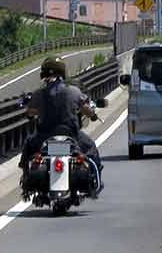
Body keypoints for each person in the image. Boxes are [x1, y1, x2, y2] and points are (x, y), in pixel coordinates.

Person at [19, 56, 103, 195]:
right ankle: (96, 183)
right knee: (91, 149)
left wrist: (37, 111)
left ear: (44, 74)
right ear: (62, 72)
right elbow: (86, 109)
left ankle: (26, 181)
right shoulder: (74, 91)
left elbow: (30, 112)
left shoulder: (39, 93)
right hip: (71, 135)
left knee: (28, 145)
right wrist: (93, 116)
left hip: (44, 136)